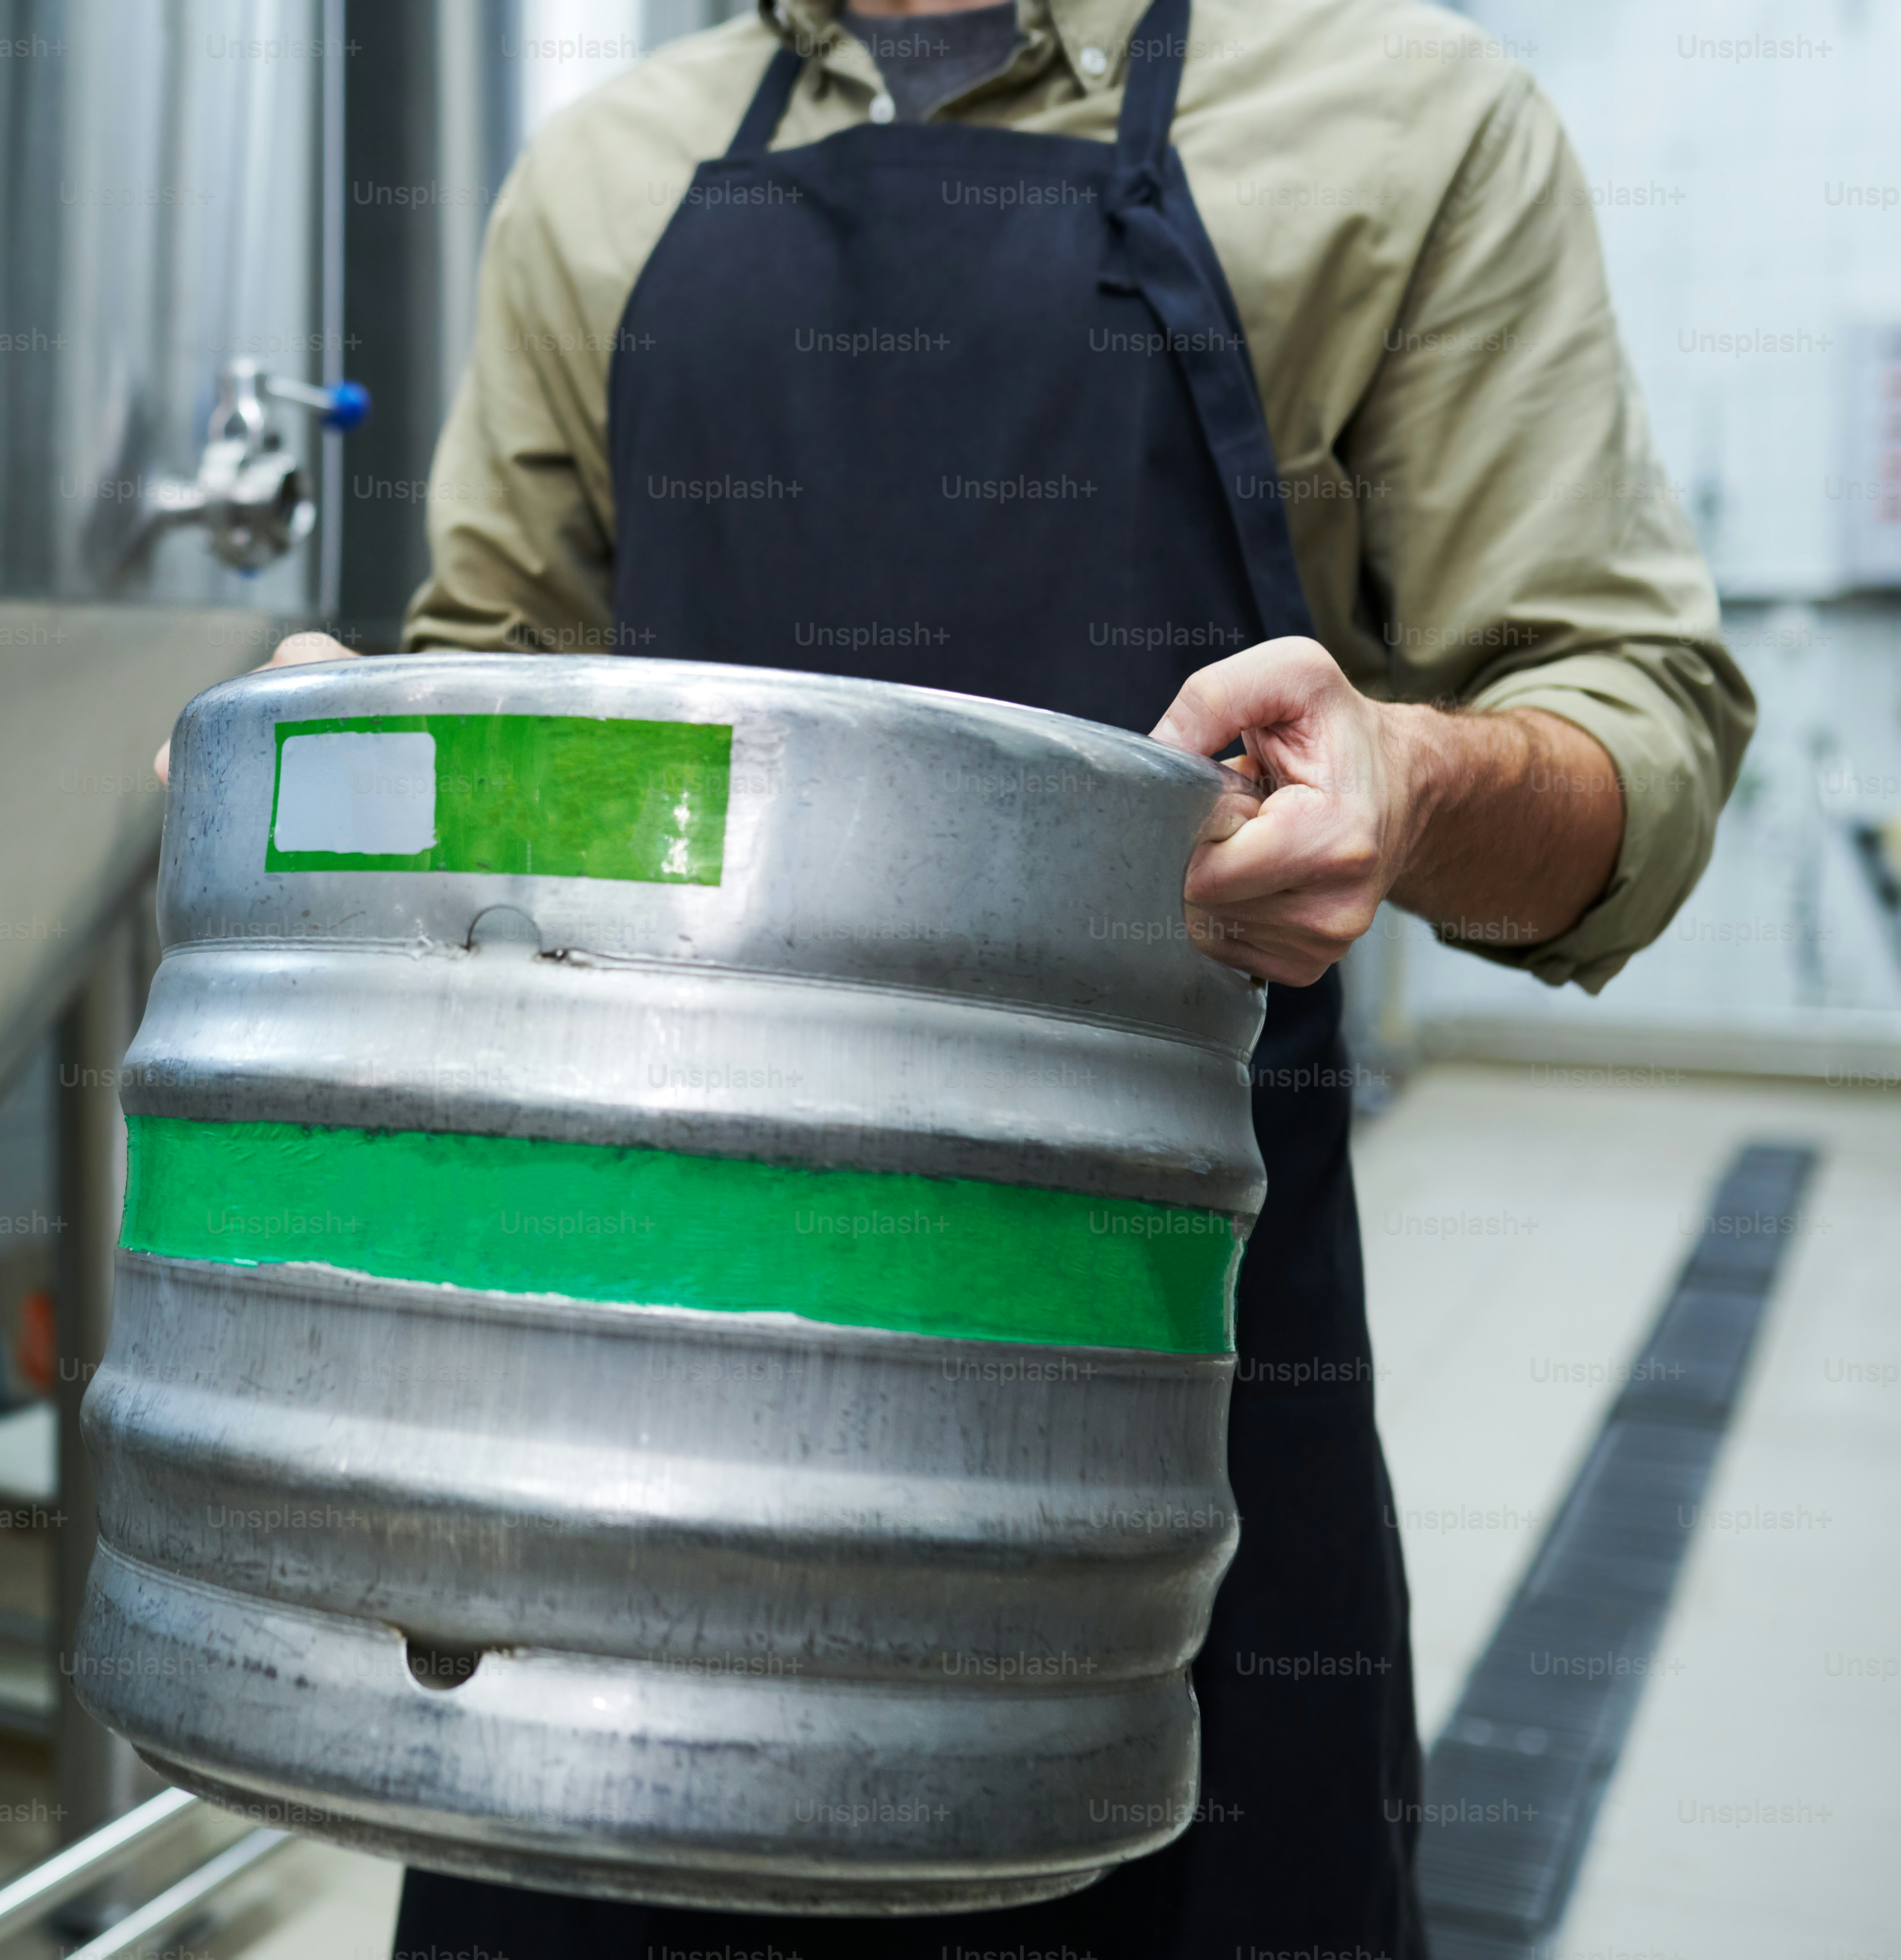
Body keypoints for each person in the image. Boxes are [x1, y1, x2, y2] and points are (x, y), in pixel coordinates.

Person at [165, 0, 1749, 1951]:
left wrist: (1417, 783)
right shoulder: (603, 171)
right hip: (585, 1455)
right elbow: (490, 720)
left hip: (1155, 1403)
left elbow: (1636, 734)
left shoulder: (1400, 118)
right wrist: (323, 763)